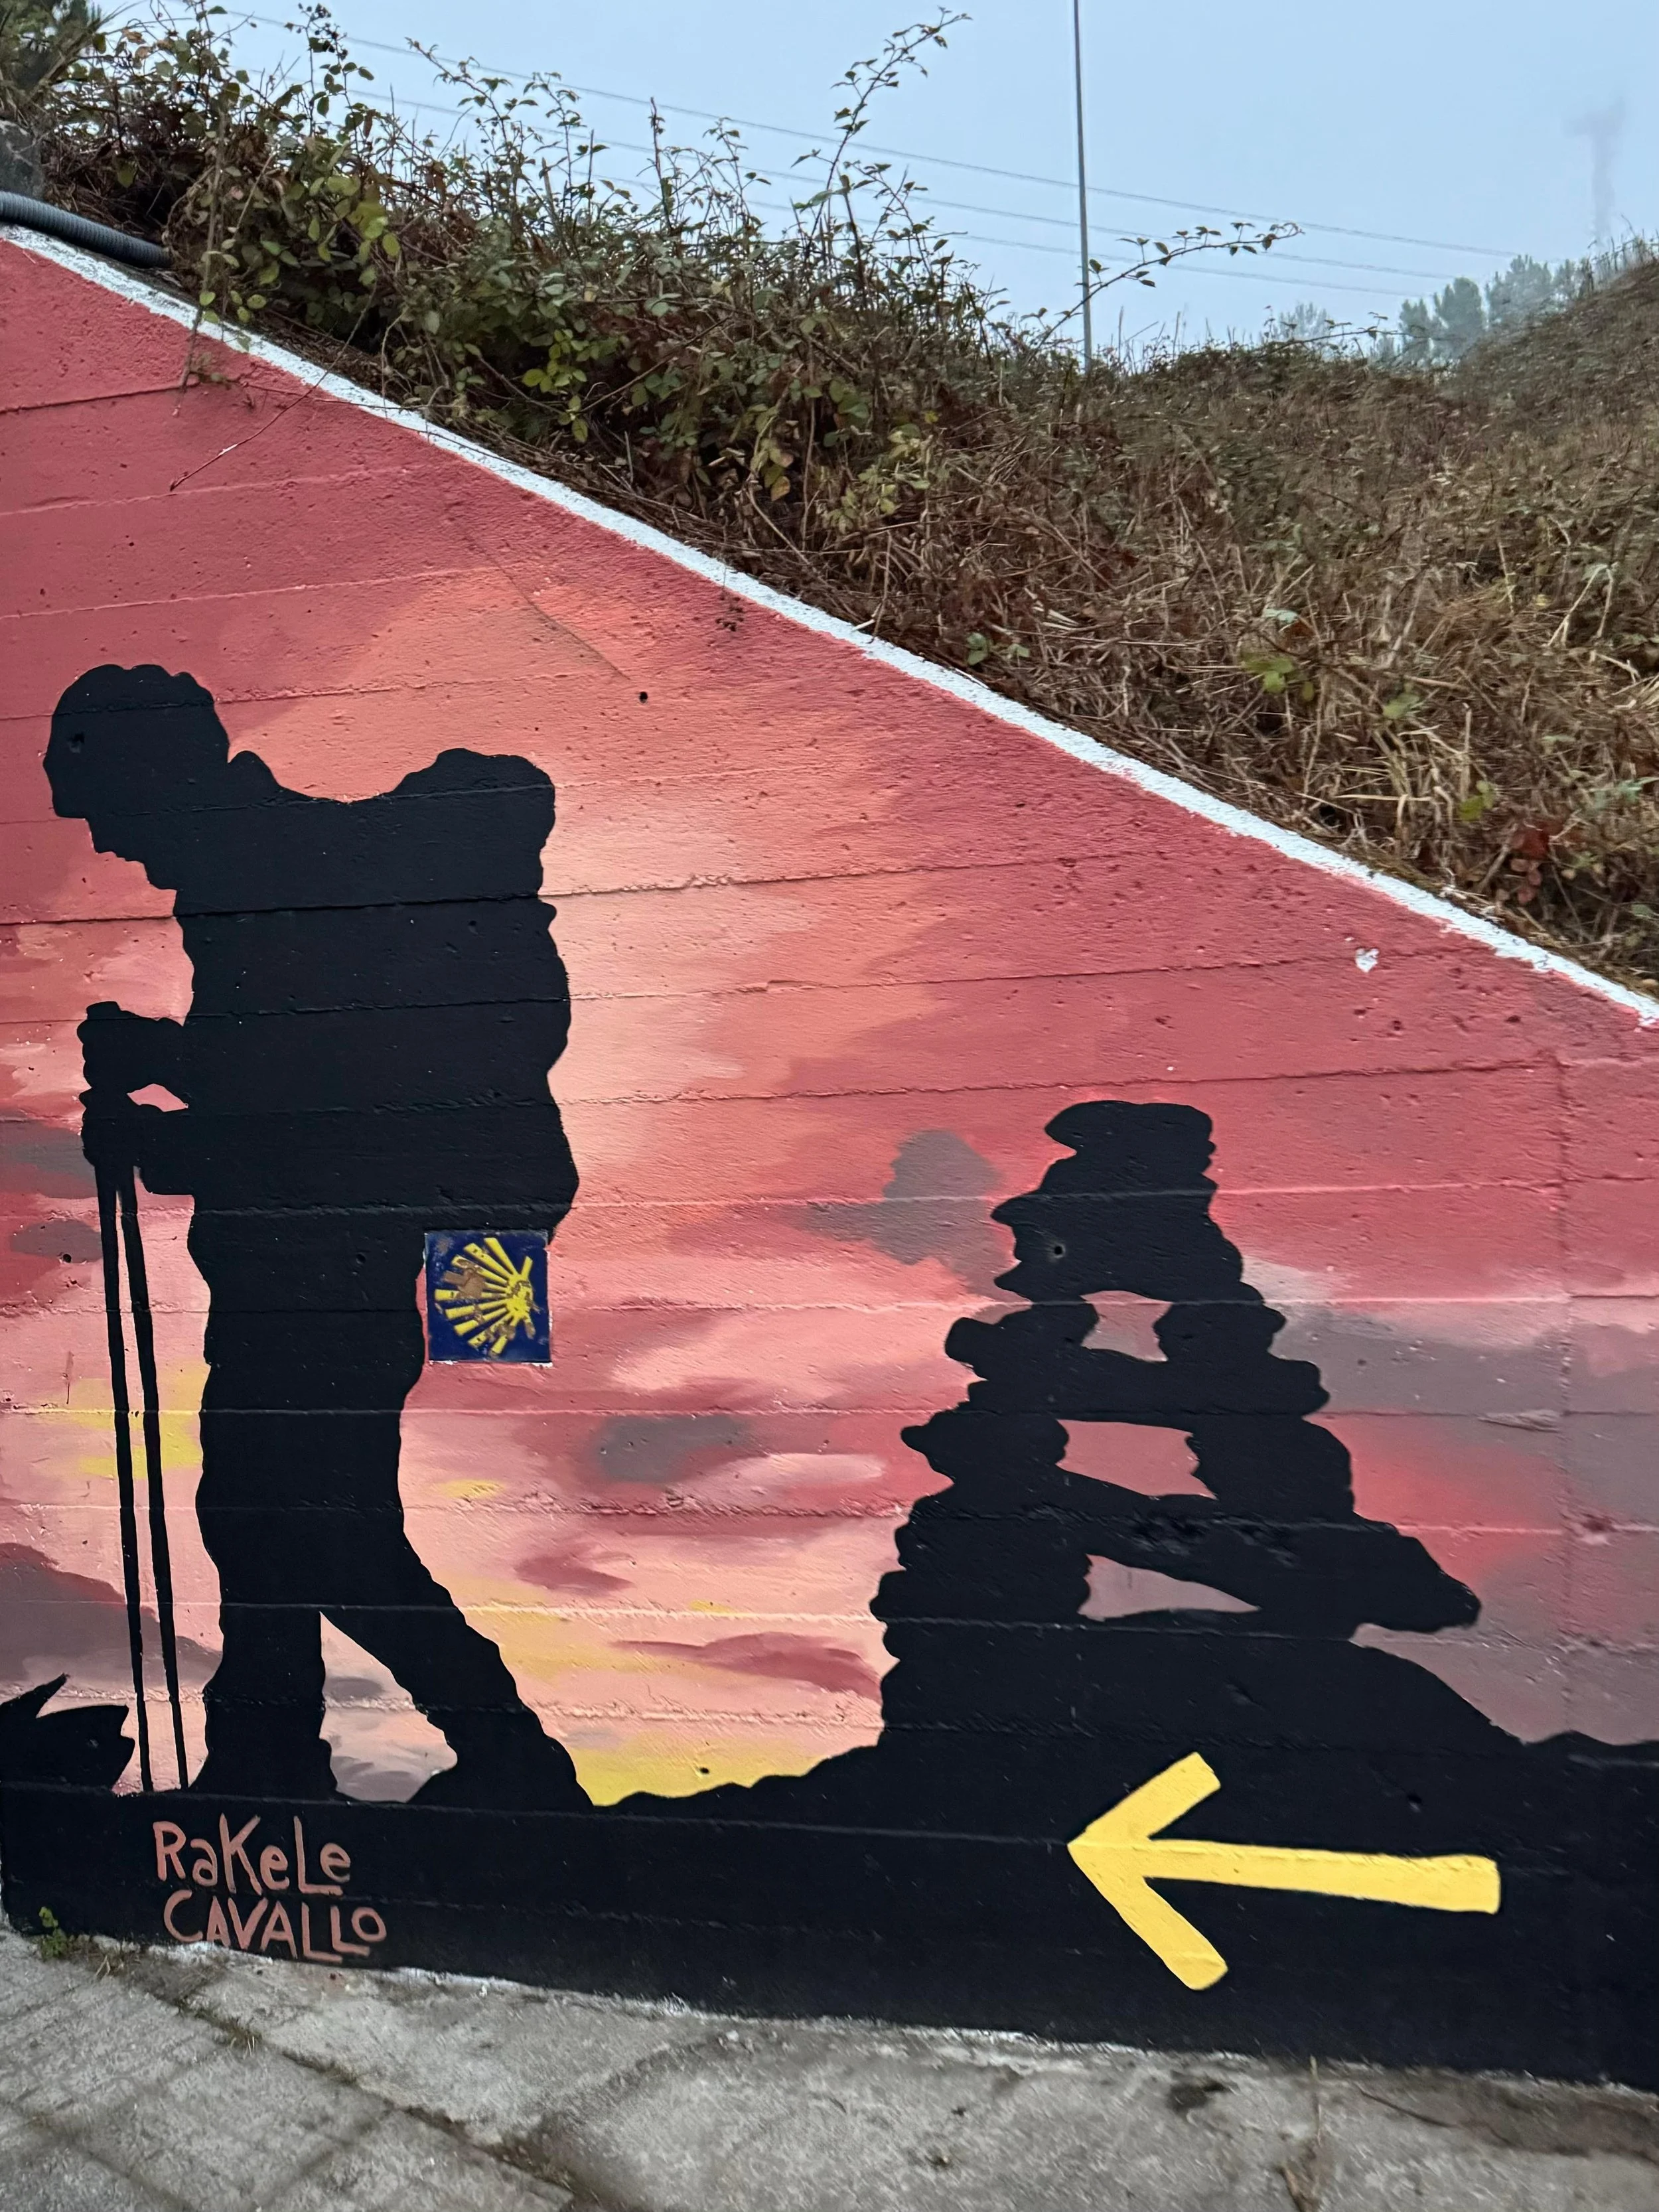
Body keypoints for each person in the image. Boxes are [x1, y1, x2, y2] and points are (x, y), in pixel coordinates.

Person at [46, 664, 585, 1808]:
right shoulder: (264, 865)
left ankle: (508, 1755)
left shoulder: (261, 871)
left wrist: (160, 1126)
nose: (109, 849)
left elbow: (314, 1098)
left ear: (155, 782)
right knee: (260, 1498)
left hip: (345, 1248)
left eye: (105, 815)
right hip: (394, 1234)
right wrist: (163, 1070)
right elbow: (288, 1075)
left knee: (311, 1510)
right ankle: (268, 1756)